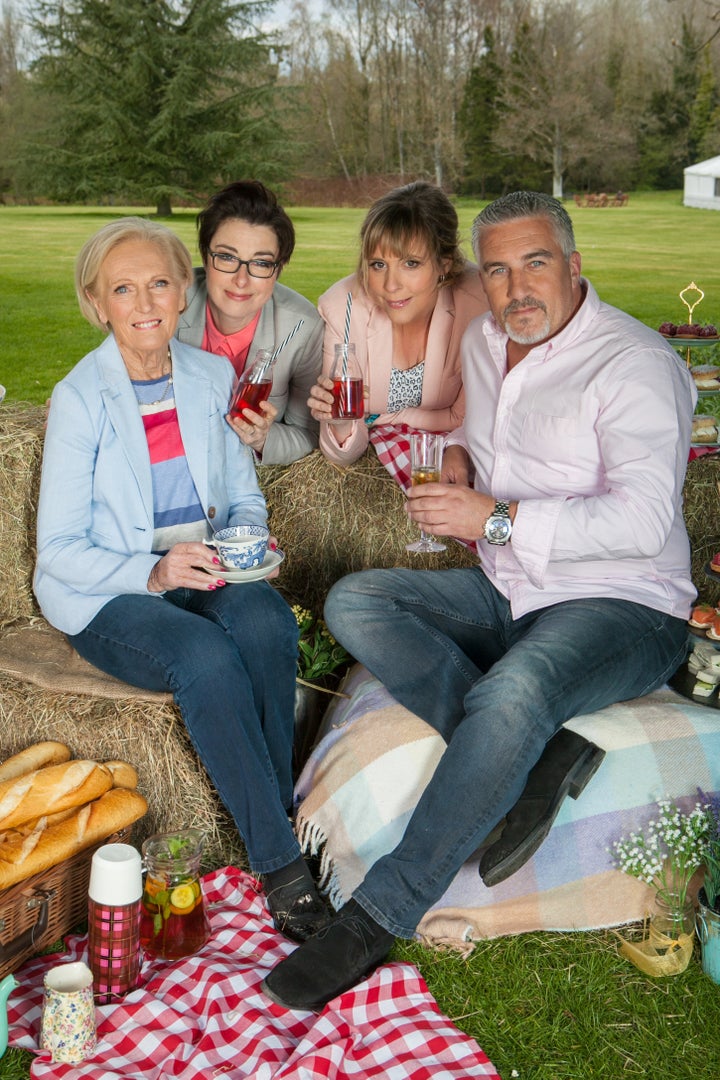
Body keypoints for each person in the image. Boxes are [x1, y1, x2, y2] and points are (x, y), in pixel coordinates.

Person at [262, 191, 697, 1010]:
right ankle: (533, 761)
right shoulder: (486, 340)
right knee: (358, 602)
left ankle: (375, 917)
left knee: (514, 691)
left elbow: (643, 521)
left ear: (574, 266)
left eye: (535, 263)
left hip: (624, 605)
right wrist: (461, 460)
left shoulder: (636, 363)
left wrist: (494, 517)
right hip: (512, 587)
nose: (516, 286)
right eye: (497, 269)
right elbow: (478, 436)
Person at [34, 217, 329, 943]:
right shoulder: (79, 399)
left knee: (264, 621)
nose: (144, 301)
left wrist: (252, 537)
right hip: (109, 588)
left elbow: (239, 488)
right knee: (203, 657)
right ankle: (283, 864)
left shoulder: (208, 376)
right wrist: (153, 570)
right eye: (123, 289)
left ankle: (270, 807)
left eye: (159, 283)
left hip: (204, 564)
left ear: (182, 291)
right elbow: (60, 549)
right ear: (96, 303)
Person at [309, 180, 488, 489]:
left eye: (411, 263)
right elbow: (341, 455)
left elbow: (465, 420)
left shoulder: (478, 302)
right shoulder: (343, 308)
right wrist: (340, 422)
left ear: (444, 264)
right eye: (378, 264)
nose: (391, 285)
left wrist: (379, 417)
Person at [175, 180, 323, 465]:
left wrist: (263, 439)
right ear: (206, 257)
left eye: (261, 263)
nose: (241, 280)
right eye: (227, 257)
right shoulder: (171, 303)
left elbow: (308, 433)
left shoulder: (303, 328)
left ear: (279, 269)